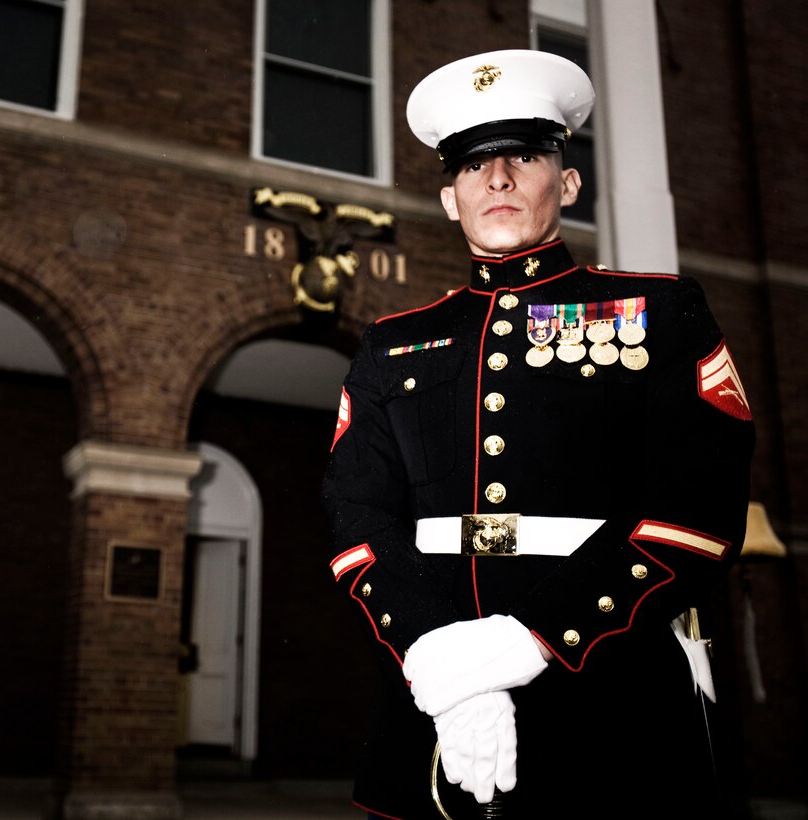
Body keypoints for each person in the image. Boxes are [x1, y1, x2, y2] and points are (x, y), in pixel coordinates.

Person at [322, 49, 756, 819]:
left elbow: (696, 511)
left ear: (568, 182)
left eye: (523, 156)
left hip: (610, 688)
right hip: (428, 692)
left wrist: (531, 643)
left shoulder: (657, 312)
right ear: (451, 199)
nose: (497, 179)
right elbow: (358, 519)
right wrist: (439, 663)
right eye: (472, 165)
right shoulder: (392, 343)